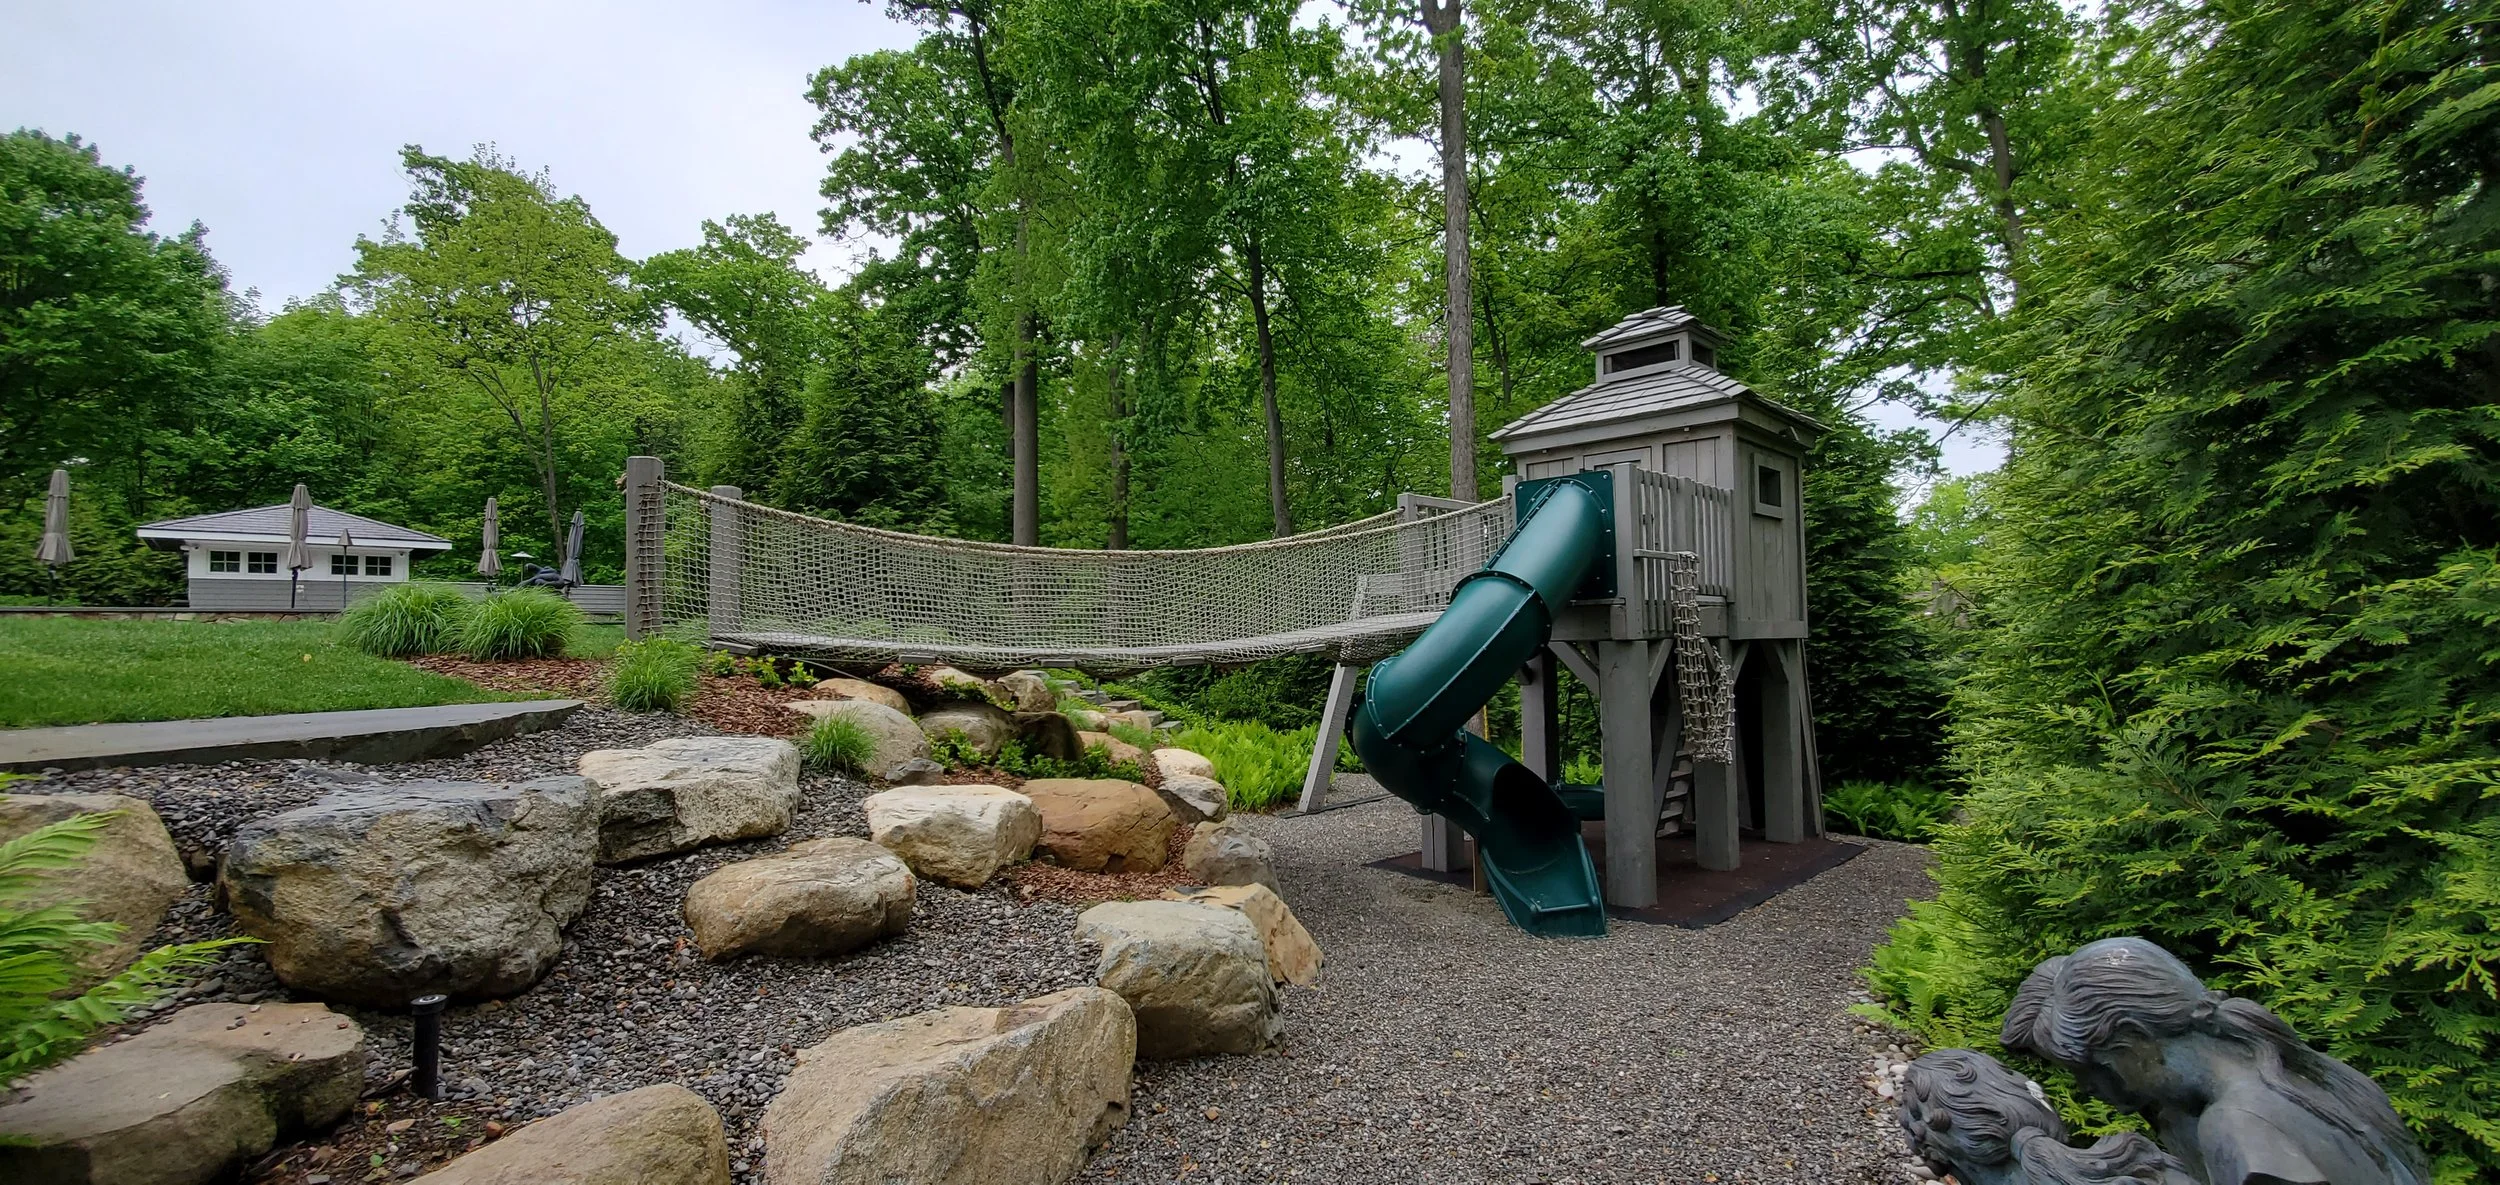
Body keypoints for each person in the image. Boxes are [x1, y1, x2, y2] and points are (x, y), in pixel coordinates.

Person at [2002, 938, 2428, 1185]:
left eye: (2092, 1067)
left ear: (2134, 1040)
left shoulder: (2238, 1130)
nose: (2091, 1087)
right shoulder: (2312, 1074)